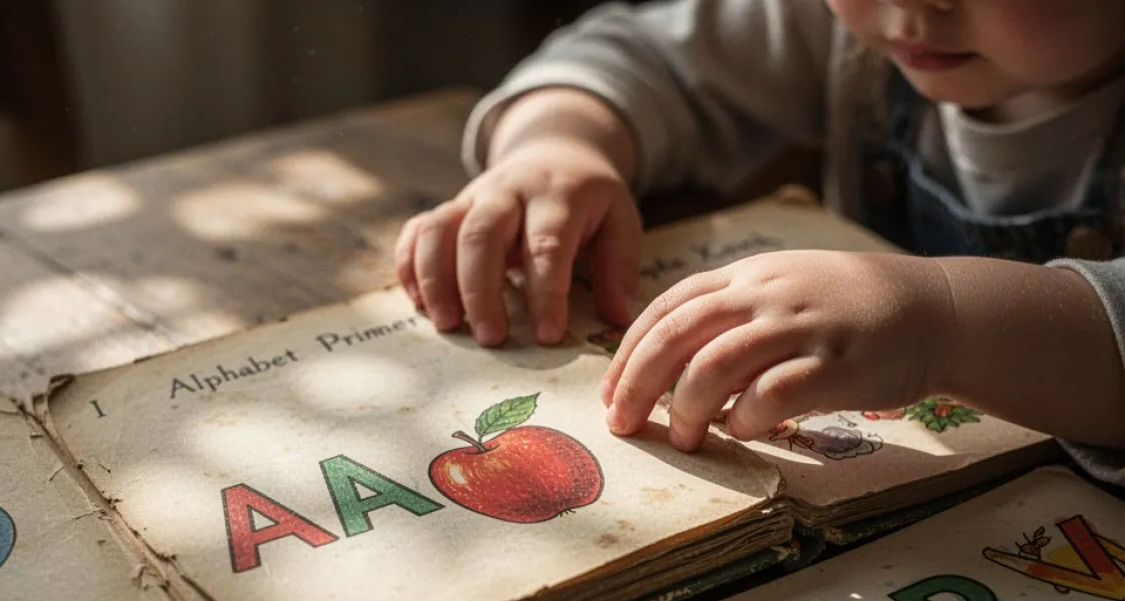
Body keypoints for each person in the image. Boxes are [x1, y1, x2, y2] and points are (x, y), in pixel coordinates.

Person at [394, 0, 1125, 483]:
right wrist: (558, 144)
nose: (908, 5)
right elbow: (641, 55)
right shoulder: (842, 31)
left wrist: (942, 321)